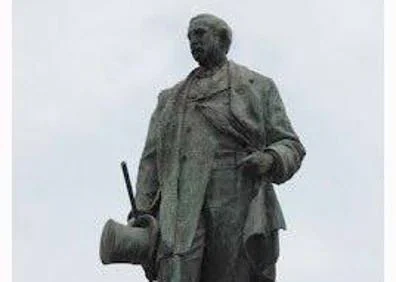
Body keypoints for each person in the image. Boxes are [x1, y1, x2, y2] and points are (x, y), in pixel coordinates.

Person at [134, 13, 306, 282]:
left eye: (200, 34)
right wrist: (141, 212)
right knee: (178, 268)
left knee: (233, 273)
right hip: (180, 201)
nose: (193, 41)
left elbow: (291, 145)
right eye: (190, 36)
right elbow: (151, 161)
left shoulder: (257, 86)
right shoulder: (169, 100)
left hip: (237, 191)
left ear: (223, 39)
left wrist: (271, 159)